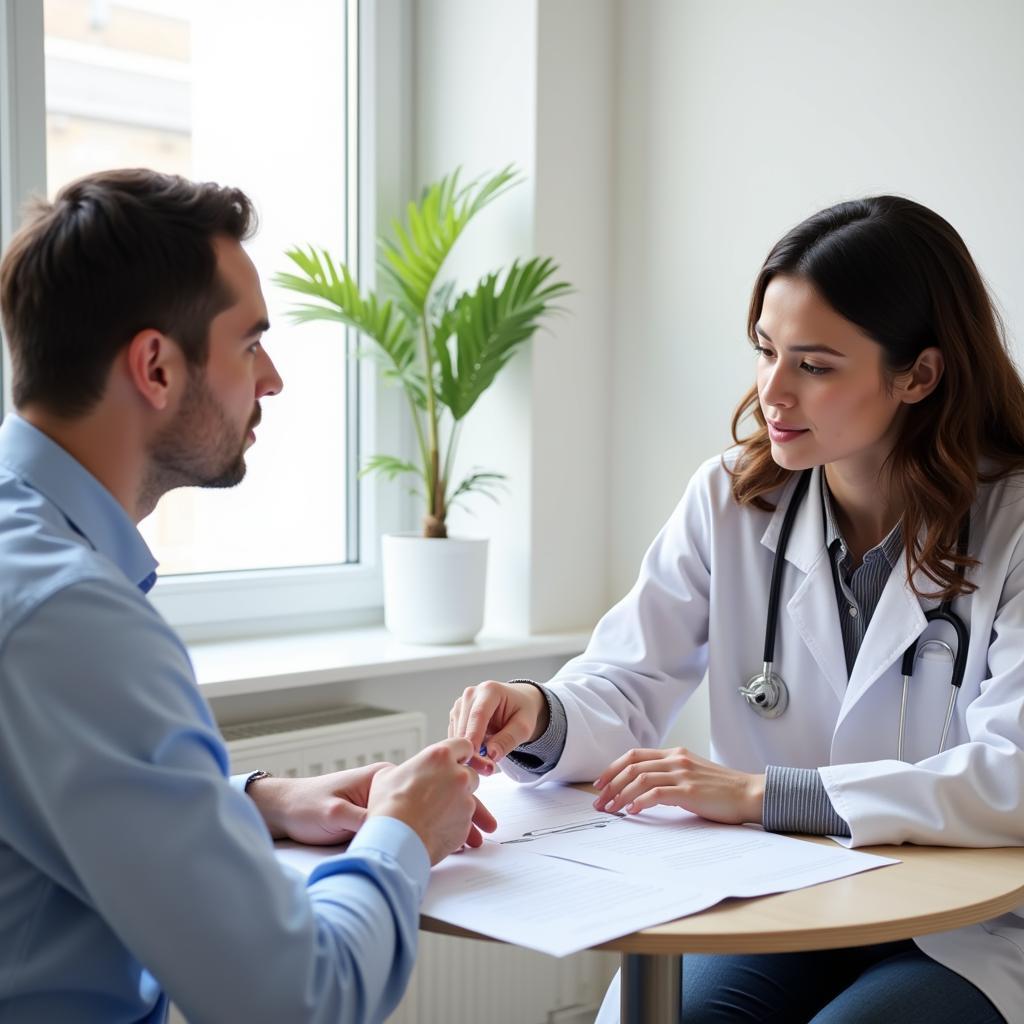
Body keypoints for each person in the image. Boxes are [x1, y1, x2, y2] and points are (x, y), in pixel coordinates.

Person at [449, 196, 1024, 1023]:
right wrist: (537, 713)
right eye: (765, 351)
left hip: (976, 924)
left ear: (918, 375)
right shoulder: (731, 496)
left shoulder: (1012, 521)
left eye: (815, 366)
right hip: (784, 892)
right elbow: (628, 676)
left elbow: (1013, 776)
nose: (773, 393)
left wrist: (764, 794)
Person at [0, 168, 495, 1024]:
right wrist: (405, 833)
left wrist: (254, 801)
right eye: (250, 342)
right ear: (155, 365)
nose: (271, 380)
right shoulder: (73, 620)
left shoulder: (31, 563)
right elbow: (301, 1001)